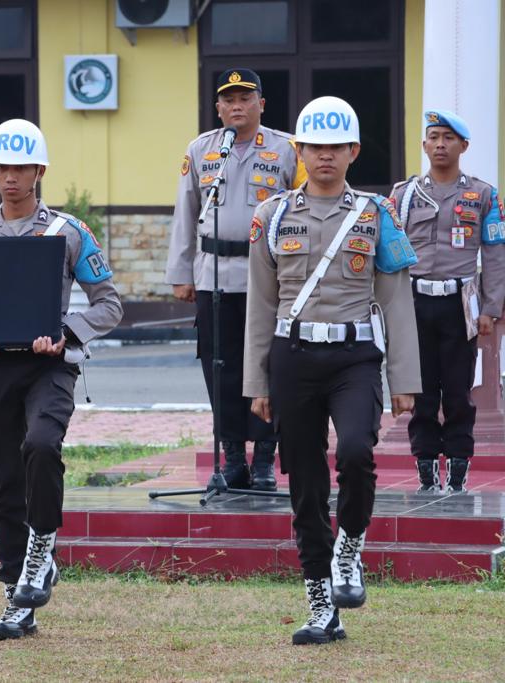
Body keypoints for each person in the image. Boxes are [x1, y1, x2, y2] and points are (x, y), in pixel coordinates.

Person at [244, 96, 421, 645]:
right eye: (314, 147)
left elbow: (395, 300)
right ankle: (321, 603)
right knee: (305, 481)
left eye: (335, 147)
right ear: (298, 151)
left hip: (355, 357)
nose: (324, 156)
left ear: (353, 151)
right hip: (292, 358)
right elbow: (260, 303)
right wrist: (257, 382)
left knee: (354, 454)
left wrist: (405, 380)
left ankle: (350, 547)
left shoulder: (378, 214)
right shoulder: (271, 217)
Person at [0, 119, 123, 641]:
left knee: (42, 446)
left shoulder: (67, 232)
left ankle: (42, 549)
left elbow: (110, 304)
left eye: (21, 167)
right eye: (1, 167)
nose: (10, 177)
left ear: (39, 171)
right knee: (3, 481)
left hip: (51, 366)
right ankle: (15, 597)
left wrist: (66, 332)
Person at [165, 68, 306, 491]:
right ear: (218, 107)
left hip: (267, 276)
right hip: (214, 276)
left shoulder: (286, 150)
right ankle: (232, 459)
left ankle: (263, 459)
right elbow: (186, 212)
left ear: (261, 104)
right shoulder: (203, 150)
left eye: (245, 98)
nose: (236, 106)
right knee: (218, 367)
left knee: (266, 366)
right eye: (228, 99)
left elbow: (302, 209)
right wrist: (180, 273)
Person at [390, 110, 505, 493]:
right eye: (434, 137)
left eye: (448, 138)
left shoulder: (483, 194)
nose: (440, 144)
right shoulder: (403, 195)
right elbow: (388, 254)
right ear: (424, 144)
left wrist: (491, 308)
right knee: (420, 390)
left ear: (463, 146)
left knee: (458, 391)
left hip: (460, 304)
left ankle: (457, 469)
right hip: (414, 302)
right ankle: (425, 467)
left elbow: (494, 253)